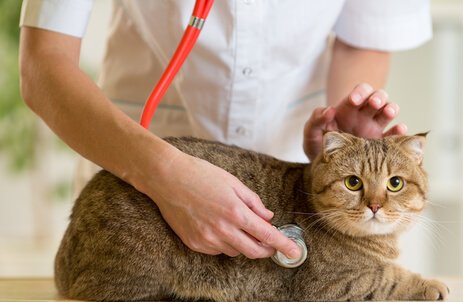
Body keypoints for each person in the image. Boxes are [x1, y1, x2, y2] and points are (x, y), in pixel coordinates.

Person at [19, 0, 432, 260]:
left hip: (297, 185)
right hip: (140, 172)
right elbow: (43, 66)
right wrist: (164, 176)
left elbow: (365, 35)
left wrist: (340, 148)